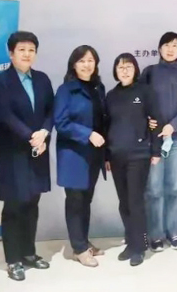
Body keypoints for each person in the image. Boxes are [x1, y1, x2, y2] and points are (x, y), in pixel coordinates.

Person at [0, 31, 54, 281]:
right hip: (13, 152)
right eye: (22, 50)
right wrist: (32, 136)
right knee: (14, 205)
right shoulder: (1, 81)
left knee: (32, 203)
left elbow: (51, 110)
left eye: (31, 50)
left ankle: (29, 252)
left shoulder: (42, 79)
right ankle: (13, 259)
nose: (27, 54)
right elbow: (5, 115)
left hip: (38, 150)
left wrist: (44, 132)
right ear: (11, 53)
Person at [105, 53, 163, 267]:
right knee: (124, 202)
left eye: (129, 66)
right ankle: (130, 242)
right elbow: (105, 126)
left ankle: (140, 247)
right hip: (116, 156)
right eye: (120, 67)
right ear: (115, 71)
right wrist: (106, 156)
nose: (125, 70)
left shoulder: (145, 91)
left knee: (136, 201)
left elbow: (156, 121)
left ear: (135, 69)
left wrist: (155, 151)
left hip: (139, 155)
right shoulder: (111, 96)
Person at [141, 32, 177, 252]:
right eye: (166, 45)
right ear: (159, 49)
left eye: (175, 45)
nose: (171, 49)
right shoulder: (149, 72)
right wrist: (147, 119)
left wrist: (173, 126)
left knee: (174, 188)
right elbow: (139, 100)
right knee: (154, 189)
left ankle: (173, 233)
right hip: (153, 140)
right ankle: (155, 235)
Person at [54, 45, 106, 267]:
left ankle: (83, 242)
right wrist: (88, 134)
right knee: (75, 201)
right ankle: (78, 249)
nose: (87, 65)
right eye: (82, 61)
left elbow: (103, 121)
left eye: (91, 60)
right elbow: (61, 122)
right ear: (73, 65)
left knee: (86, 200)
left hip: (93, 154)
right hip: (73, 154)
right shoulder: (65, 90)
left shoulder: (98, 88)